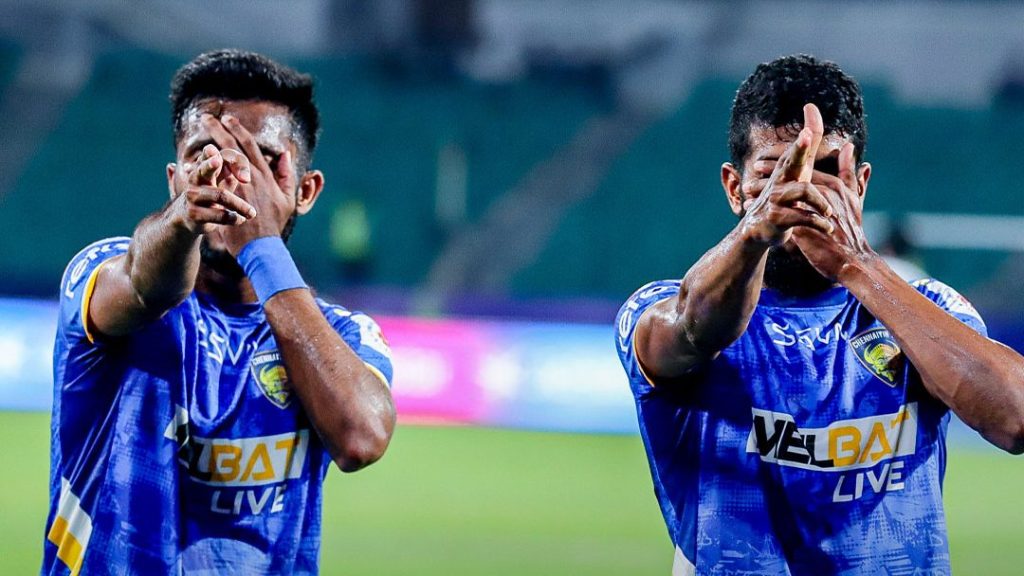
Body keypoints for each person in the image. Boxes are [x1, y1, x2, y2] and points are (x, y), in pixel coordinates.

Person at [614, 54, 1024, 575]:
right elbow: (690, 329)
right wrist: (757, 233)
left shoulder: (928, 311)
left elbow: (1016, 418)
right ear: (735, 189)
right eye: (776, 174)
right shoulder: (662, 307)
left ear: (861, 185)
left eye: (827, 172)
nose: (802, 193)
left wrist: (859, 266)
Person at [43, 49, 396, 574]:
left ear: (305, 191)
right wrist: (185, 218)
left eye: (264, 161)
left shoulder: (341, 334)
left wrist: (261, 247)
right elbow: (145, 286)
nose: (235, 180)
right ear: (174, 178)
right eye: (206, 155)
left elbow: (361, 438)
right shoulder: (100, 273)